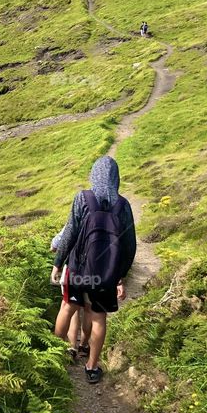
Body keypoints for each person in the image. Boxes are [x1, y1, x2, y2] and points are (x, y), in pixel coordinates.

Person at [51, 156, 137, 384]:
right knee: (99, 318)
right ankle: (91, 366)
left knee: (67, 308)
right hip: (106, 275)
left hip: (79, 269)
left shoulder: (83, 198)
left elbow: (69, 234)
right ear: (116, 178)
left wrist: (58, 264)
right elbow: (130, 247)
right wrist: (120, 277)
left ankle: (52, 358)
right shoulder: (123, 205)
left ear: (93, 175)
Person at [50, 230, 91, 362]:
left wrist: (57, 262)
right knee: (89, 309)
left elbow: (61, 240)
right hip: (97, 268)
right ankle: (84, 346)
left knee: (70, 308)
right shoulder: (113, 213)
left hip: (75, 267)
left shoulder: (80, 210)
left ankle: (70, 347)